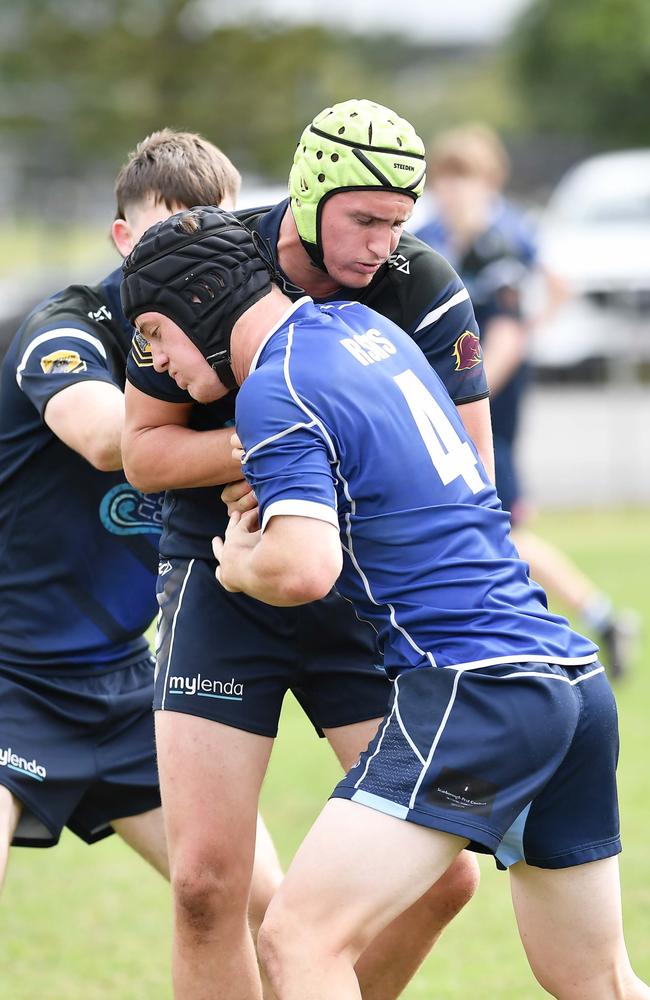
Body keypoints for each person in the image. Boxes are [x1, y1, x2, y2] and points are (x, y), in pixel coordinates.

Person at [121, 204, 649, 1000]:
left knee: (299, 942)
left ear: (198, 305)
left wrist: (237, 566)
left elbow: (303, 570)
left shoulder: (277, 383)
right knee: (598, 981)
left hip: (476, 694)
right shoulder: (371, 336)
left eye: (156, 336)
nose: (158, 363)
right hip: (566, 681)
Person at [121, 100, 486, 1000]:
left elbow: (471, 470)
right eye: (363, 219)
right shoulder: (204, 263)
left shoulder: (420, 283)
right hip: (221, 571)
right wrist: (259, 453)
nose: (379, 245)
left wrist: (313, 464)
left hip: (360, 594)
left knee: (443, 877)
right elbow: (145, 452)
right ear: (310, 195)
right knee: (207, 887)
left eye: (396, 223)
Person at [0, 130, 280, 958]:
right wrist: (283, 434)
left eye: (219, 236)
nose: (201, 265)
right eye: (171, 236)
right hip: (10, 675)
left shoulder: (235, 360)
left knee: (278, 913)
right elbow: (105, 440)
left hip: (128, 682)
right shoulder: (68, 329)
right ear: (124, 240)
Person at [415, 123, 638, 679]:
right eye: (445, 181)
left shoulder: (500, 239)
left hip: (484, 402)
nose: (453, 192)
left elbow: (513, 327)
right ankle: (588, 623)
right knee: (500, 528)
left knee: (502, 528)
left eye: (464, 181)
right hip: (461, 396)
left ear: (488, 182)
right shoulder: (439, 234)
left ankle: (585, 623)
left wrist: (479, 376)